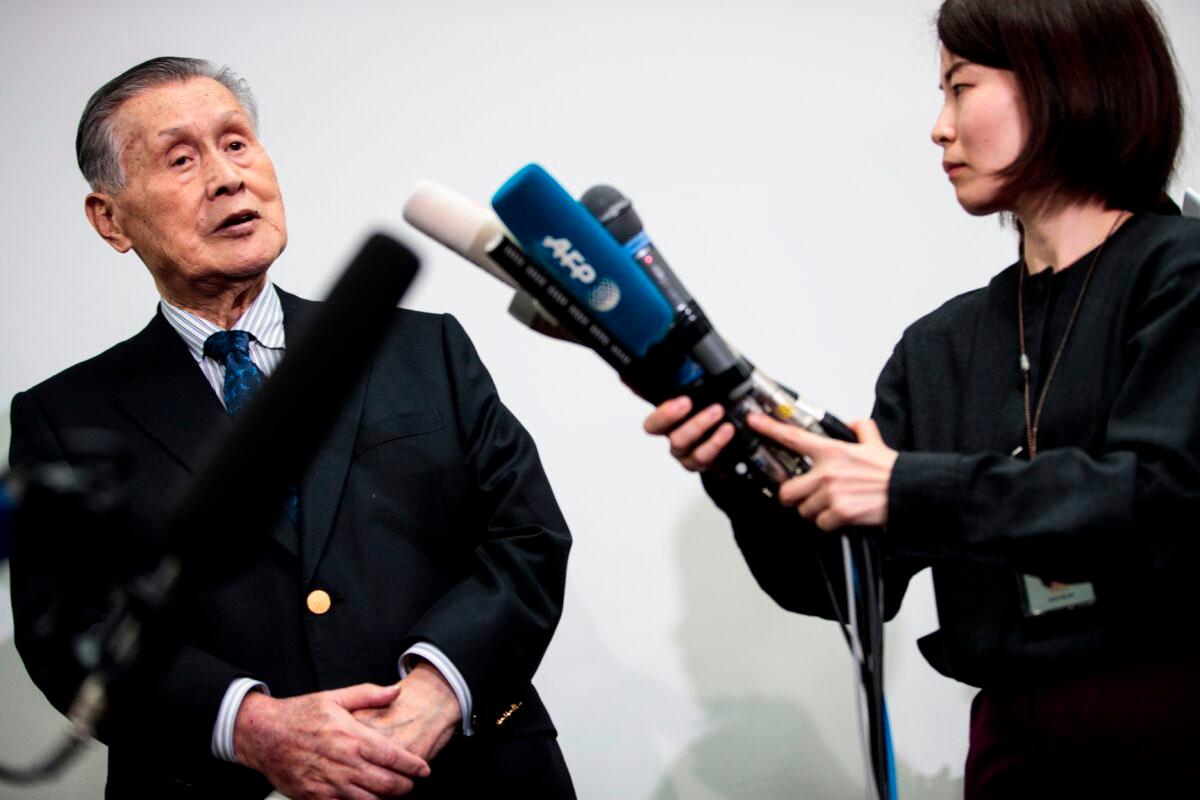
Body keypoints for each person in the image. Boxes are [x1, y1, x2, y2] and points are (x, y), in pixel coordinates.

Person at [645, 0, 1200, 795]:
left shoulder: (1181, 273)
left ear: (1063, 78)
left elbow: (1164, 502)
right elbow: (849, 582)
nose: (939, 127)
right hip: (1009, 750)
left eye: (959, 86)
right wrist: (738, 469)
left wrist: (908, 485)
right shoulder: (939, 346)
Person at [8, 57, 575, 800]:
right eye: (181, 159)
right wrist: (249, 725)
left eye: (237, 143)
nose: (226, 177)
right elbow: (68, 634)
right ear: (109, 219)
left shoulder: (421, 347)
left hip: (469, 775)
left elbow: (528, 537)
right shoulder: (62, 416)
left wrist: (437, 691)